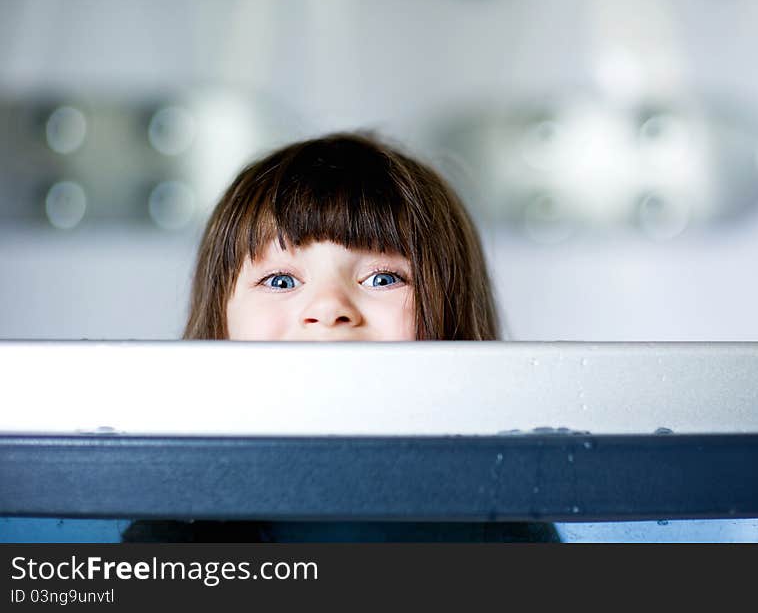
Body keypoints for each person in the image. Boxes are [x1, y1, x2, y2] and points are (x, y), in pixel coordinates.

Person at [122, 132, 559, 542]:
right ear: (219, 325)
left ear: (455, 316)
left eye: (384, 278)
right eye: (280, 281)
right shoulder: (181, 513)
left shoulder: (499, 514)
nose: (330, 308)